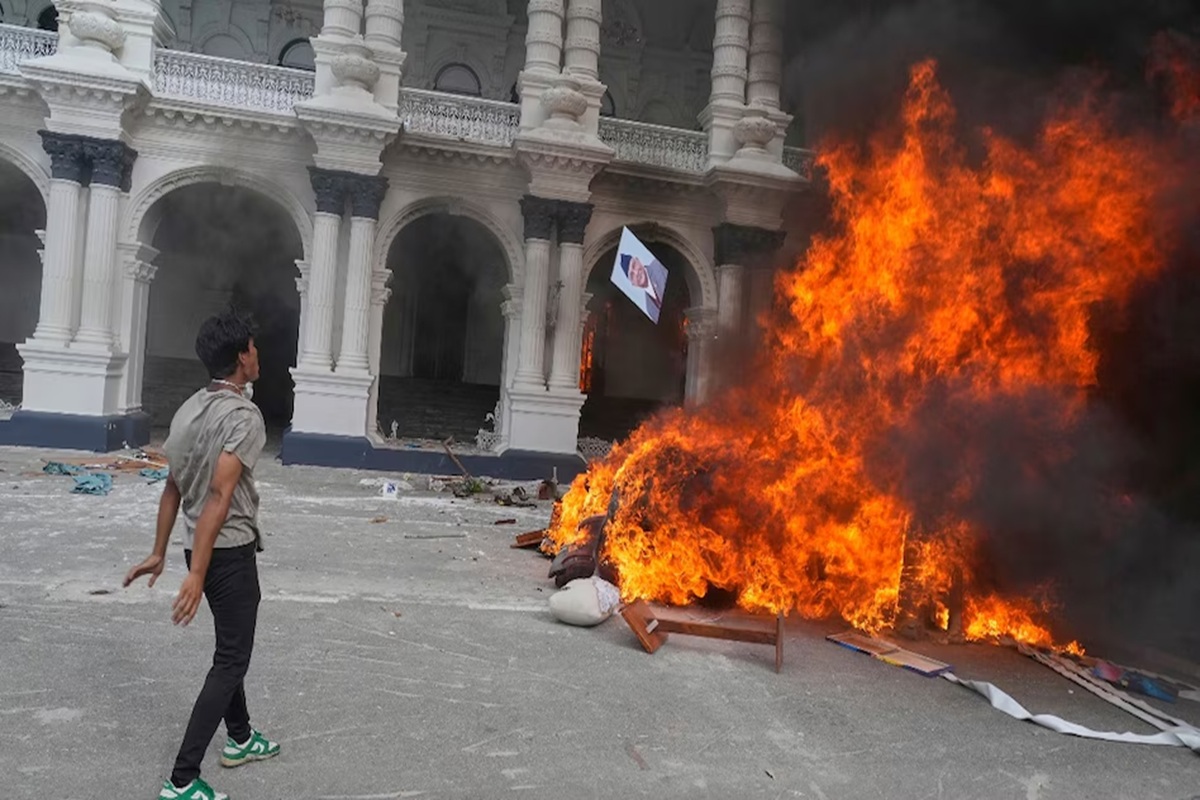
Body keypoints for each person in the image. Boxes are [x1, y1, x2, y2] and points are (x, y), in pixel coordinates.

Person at [124, 309, 280, 800]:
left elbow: (172, 487)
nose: (258, 355)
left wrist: (160, 552)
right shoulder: (244, 417)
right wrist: (195, 572)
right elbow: (217, 495)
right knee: (232, 660)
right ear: (241, 357)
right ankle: (182, 779)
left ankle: (240, 737)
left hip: (203, 546)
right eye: (253, 348)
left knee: (228, 649)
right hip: (227, 553)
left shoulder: (190, 408)